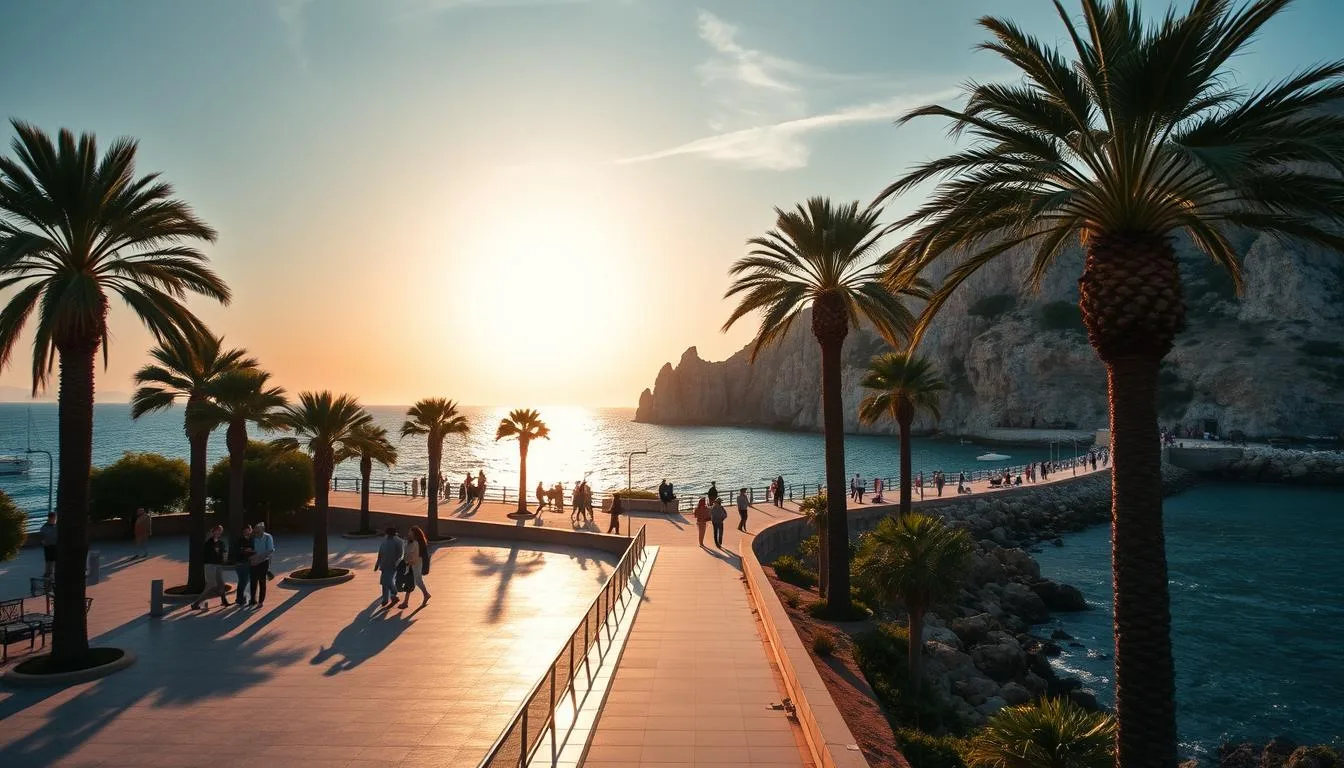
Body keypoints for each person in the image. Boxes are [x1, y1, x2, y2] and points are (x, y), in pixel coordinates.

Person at [192, 525, 231, 610]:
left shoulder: (221, 543)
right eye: (217, 530)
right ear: (213, 531)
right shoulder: (208, 542)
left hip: (219, 565)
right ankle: (196, 603)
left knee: (221, 584)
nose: (219, 532)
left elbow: (224, 553)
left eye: (220, 531)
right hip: (210, 565)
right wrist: (210, 536)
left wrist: (224, 557)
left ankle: (224, 601)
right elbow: (205, 550)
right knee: (211, 584)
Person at [400, 525, 432, 608]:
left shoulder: (416, 543)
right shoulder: (412, 542)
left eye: (410, 532)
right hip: (412, 564)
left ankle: (426, 594)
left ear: (414, 533)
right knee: (411, 582)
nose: (408, 533)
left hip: (414, 564)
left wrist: (410, 562)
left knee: (417, 581)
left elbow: (415, 555)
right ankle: (406, 602)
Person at [374, 527, 403, 608]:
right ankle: (385, 599)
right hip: (384, 564)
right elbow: (380, 553)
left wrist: (397, 563)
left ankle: (394, 592)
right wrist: (377, 563)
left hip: (392, 565)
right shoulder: (385, 541)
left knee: (386, 580)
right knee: (384, 581)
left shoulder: (398, 541)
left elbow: (400, 554)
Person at [249, 522, 275, 609]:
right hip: (253, 562)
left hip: (263, 562)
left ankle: (260, 602)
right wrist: (252, 557)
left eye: (258, 530)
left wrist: (258, 557)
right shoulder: (252, 537)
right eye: (255, 530)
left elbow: (270, 550)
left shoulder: (268, 537)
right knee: (253, 582)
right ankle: (253, 599)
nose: (256, 532)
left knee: (262, 582)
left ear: (263, 530)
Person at [233, 524, 255, 607]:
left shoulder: (253, 540)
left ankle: (240, 598)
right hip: (240, 563)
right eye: (246, 530)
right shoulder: (240, 540)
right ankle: (239, 599)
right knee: (243, 581)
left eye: (249, 530)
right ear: (243, 531)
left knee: (244, 581)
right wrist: (246, 550)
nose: (248, 531)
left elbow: (254, 550)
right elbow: (238, 551)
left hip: (248, 563)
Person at [39, 513, 57, 578]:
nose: (55, 519)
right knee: (49, 560)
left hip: (54, 545)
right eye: (54, 518)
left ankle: (50, 573)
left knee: (52, 560)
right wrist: (43, 540)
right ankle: (48, 573)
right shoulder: (45, 527)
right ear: (50, 518)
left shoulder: (54, 526)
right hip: (49, 545)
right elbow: (42, 535)